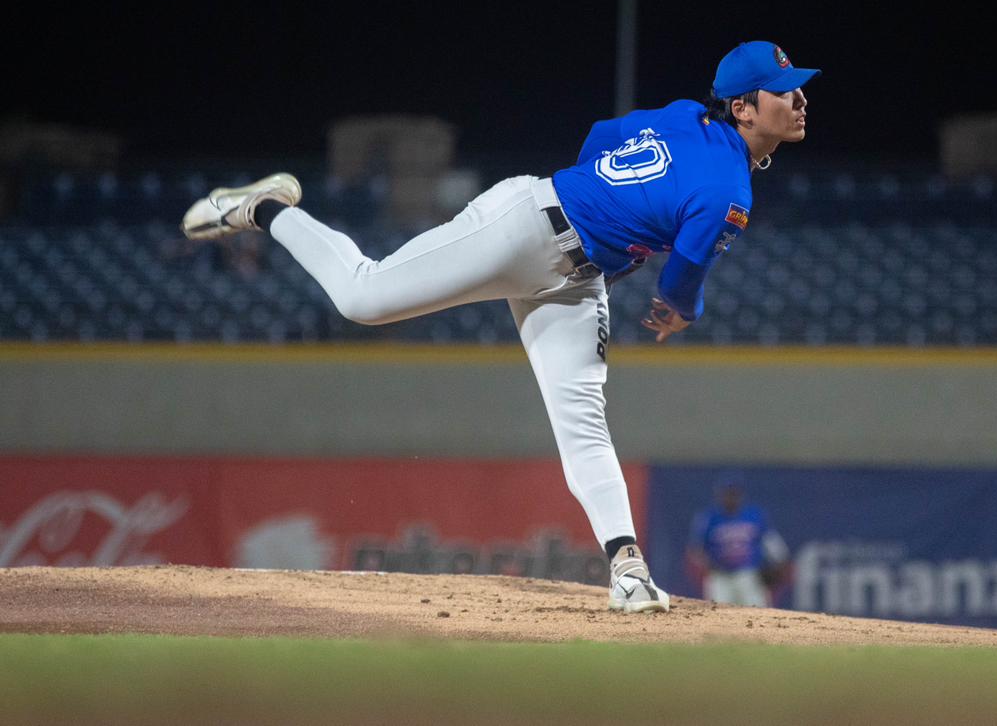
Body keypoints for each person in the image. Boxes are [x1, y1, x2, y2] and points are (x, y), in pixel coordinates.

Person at [181, 41, 819, 613]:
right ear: (742, 108)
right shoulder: (729, 189)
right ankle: (264, 208)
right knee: (362, 297)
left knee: (585, 426)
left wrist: (609, 204)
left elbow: (603, 136)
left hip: (574, 280)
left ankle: (629, 570)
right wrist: (683, 311)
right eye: (783, 90)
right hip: (524, 227)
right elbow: (680, 283)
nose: (798, 98)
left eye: (798, 86)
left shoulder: (686, 114)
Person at [685, 471, 790, 607]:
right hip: (720, 577)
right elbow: (696, 549)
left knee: (757, 613)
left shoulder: (754, 516)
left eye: (734, 494)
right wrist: (708, 565)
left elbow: (771, 541)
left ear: (740, 495)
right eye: (728, 494)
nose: (731, 498)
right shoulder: (709, 518)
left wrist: (780, 561)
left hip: (748, 575)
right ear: (720, 495)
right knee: (718, 614)